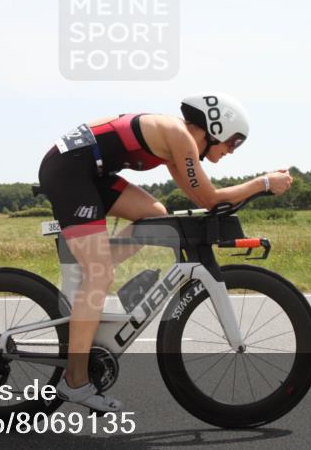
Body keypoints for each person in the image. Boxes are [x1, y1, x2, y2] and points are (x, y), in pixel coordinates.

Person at [37, 94, 293, 411]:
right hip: (70, 170)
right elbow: (212, 199)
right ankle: (75, 381)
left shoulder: (177, 144)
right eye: (233, 142)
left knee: (155, 215)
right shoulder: (180, 137)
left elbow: (203, 199)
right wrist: (264, 183)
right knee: (100, 273)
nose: (230, 150)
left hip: (87, 170)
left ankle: (93, 273)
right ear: (215, 127)